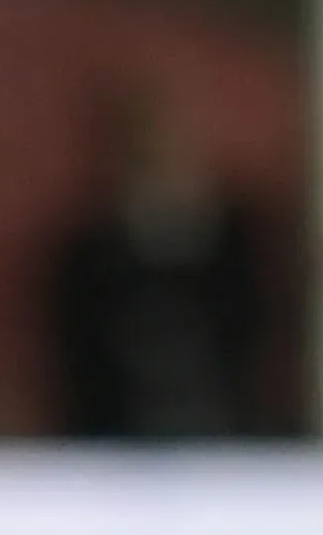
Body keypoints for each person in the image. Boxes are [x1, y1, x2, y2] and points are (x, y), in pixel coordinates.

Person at [46, 84, 274, 439]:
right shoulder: (87, 258)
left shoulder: (235, 248)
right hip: (116, 447)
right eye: (144, 157)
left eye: (170, 151)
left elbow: (252, 346)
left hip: (224, 442)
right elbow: (76, 367)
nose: (161, 168)